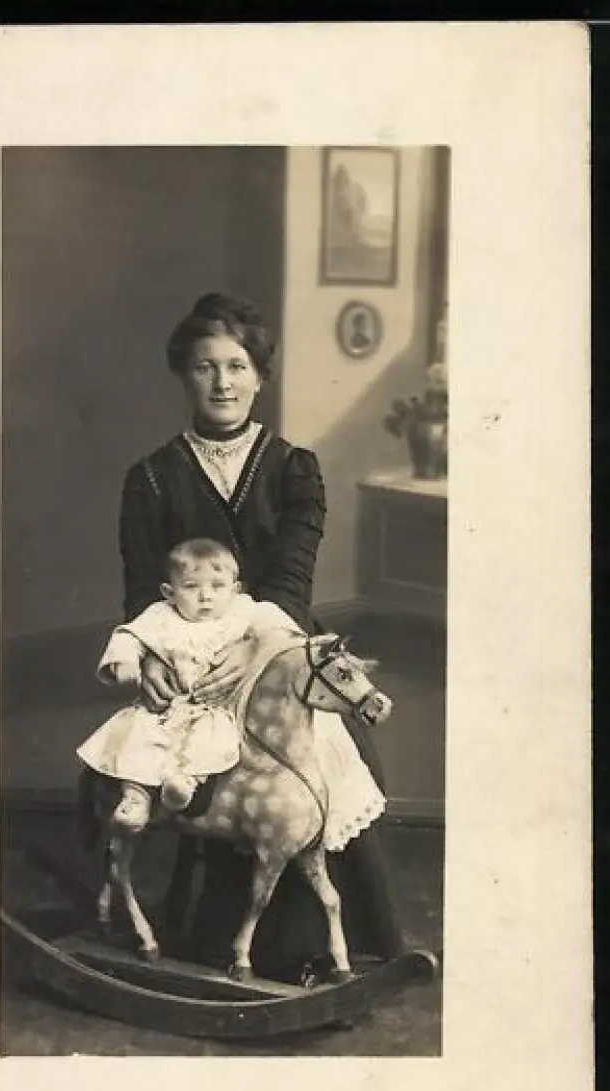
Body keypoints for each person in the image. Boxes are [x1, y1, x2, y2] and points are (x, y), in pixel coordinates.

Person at [78, 291, 407, 982]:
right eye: (205, 367)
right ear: (183, 375)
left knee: (329, 762)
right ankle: (212, 937)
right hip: (188, 652)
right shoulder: (151, 478)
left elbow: (291, 577)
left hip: (276, 642)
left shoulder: (294, 468)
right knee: (176, 768)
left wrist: (256, 648)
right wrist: (150, 657)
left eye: (236, 366)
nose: (222, 382)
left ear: (259, 376)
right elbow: (142, 587)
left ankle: (316, 945)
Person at [76, 537, 302, 826]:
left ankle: (185, 783)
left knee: (214, 740)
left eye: (217, 586)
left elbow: (284, 630)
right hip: (167, 706)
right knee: (139, 736)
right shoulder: (161, 615)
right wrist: (126, 662)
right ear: (169, 593)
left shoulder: (244, 611)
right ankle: (135, 798)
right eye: (191, 586)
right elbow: (129, 635)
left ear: (235, 589)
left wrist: (260, 643)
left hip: (216, 708)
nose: (205, 596)